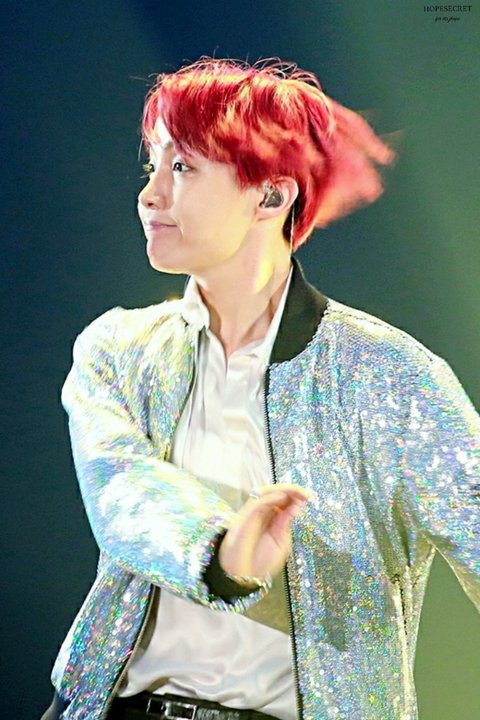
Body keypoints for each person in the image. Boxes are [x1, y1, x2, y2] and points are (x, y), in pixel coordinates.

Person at [42, 57, 479, 720]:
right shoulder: (118, 349)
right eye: (152, 167)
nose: (150, 196)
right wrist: (222, 553)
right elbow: (121, 488)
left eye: (182, 167)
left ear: (271, 197)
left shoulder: (389, 376)